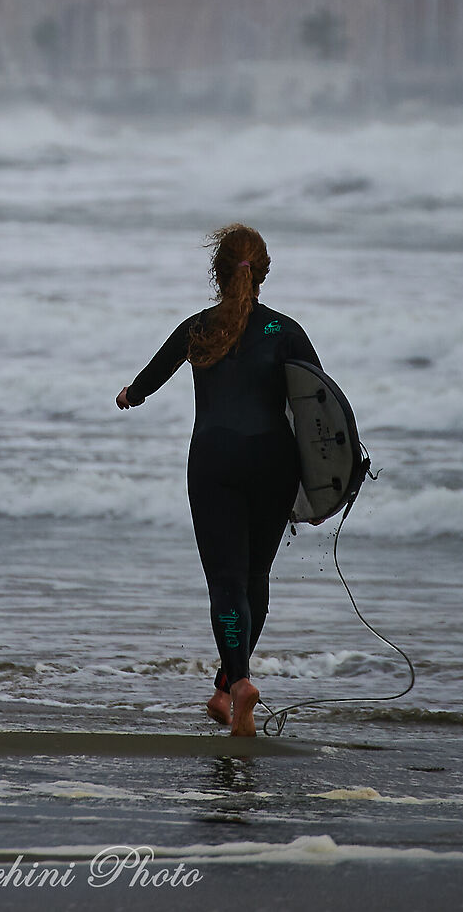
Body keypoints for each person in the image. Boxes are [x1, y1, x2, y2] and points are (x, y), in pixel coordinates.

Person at [116, 223, 318, 738]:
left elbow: (146, 383)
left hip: (215, 463)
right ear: (263, 273)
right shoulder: (285, 331)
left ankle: (240, 683)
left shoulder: (198, 329)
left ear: (218, 271)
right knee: (254, 580)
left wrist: (128, 396)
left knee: (225, 582)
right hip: (274, 464)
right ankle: (227, 685)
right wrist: (329, 481)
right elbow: (321, 408)